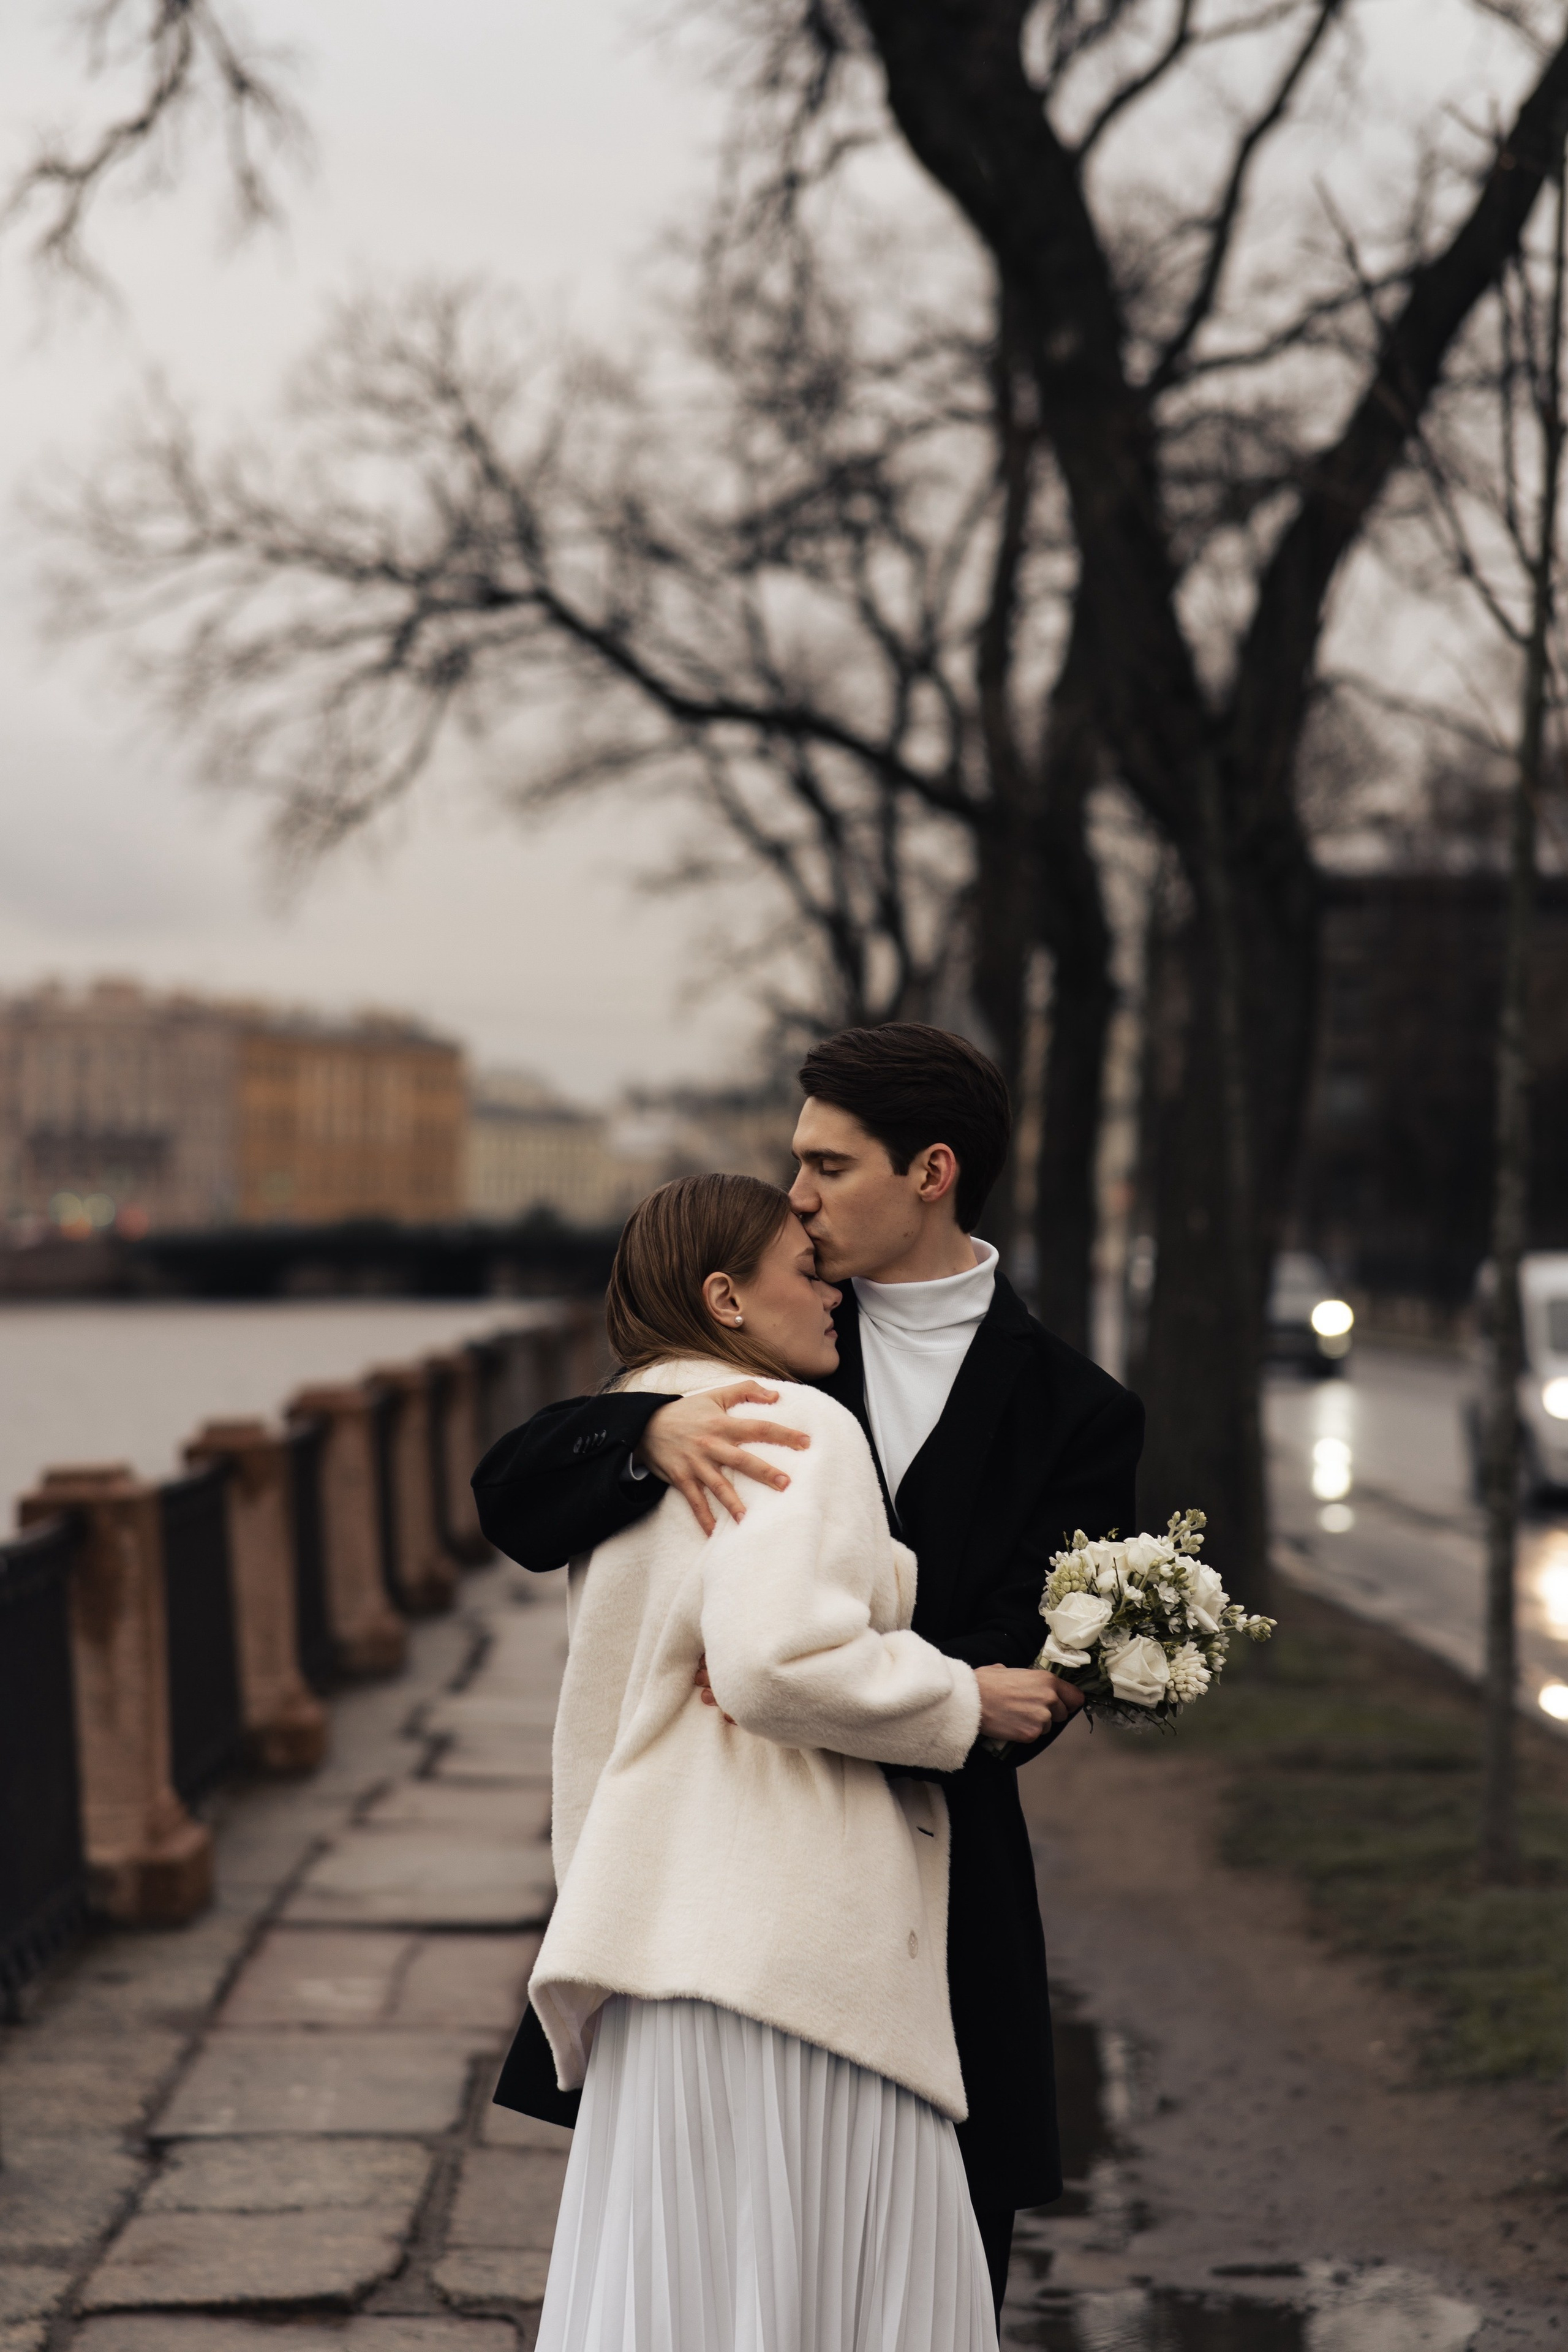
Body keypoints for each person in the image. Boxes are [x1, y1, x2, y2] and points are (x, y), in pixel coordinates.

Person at [476, 1023, 1144, 2321]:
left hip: (933, 1889)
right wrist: (645, 1429)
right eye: (795, 1166)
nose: (796, 1195)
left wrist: (814, 1671)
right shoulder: (725, 1372)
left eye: (827, 1167)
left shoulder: (1076, 1413)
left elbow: (1022, 1678)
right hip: (716, 1891)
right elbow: (514, 1499)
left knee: (920, 2272)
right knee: (721, 2266)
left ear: (931, 1171)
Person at [519, 1170, 1017, 2351]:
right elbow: (772, 1663)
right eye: (807, 1272)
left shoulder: (641, 1436)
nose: (832, 1289)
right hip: (795, 1956)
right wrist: (964, 1697)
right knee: (839, 2292)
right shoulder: (791, 1420)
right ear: (726, 1298)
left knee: (678, 2295)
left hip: (655, 1938)